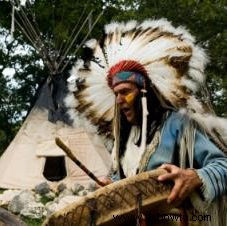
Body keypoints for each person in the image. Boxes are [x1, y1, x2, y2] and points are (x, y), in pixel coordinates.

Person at [64, 19, 227, 226]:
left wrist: (193, 176)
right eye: (116, 94)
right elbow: (128, 181)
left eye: (125, 92)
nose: (119, 100)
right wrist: (111, 187)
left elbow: (223, 166)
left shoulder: (176, 124)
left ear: (144, 92)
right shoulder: (123, 140)